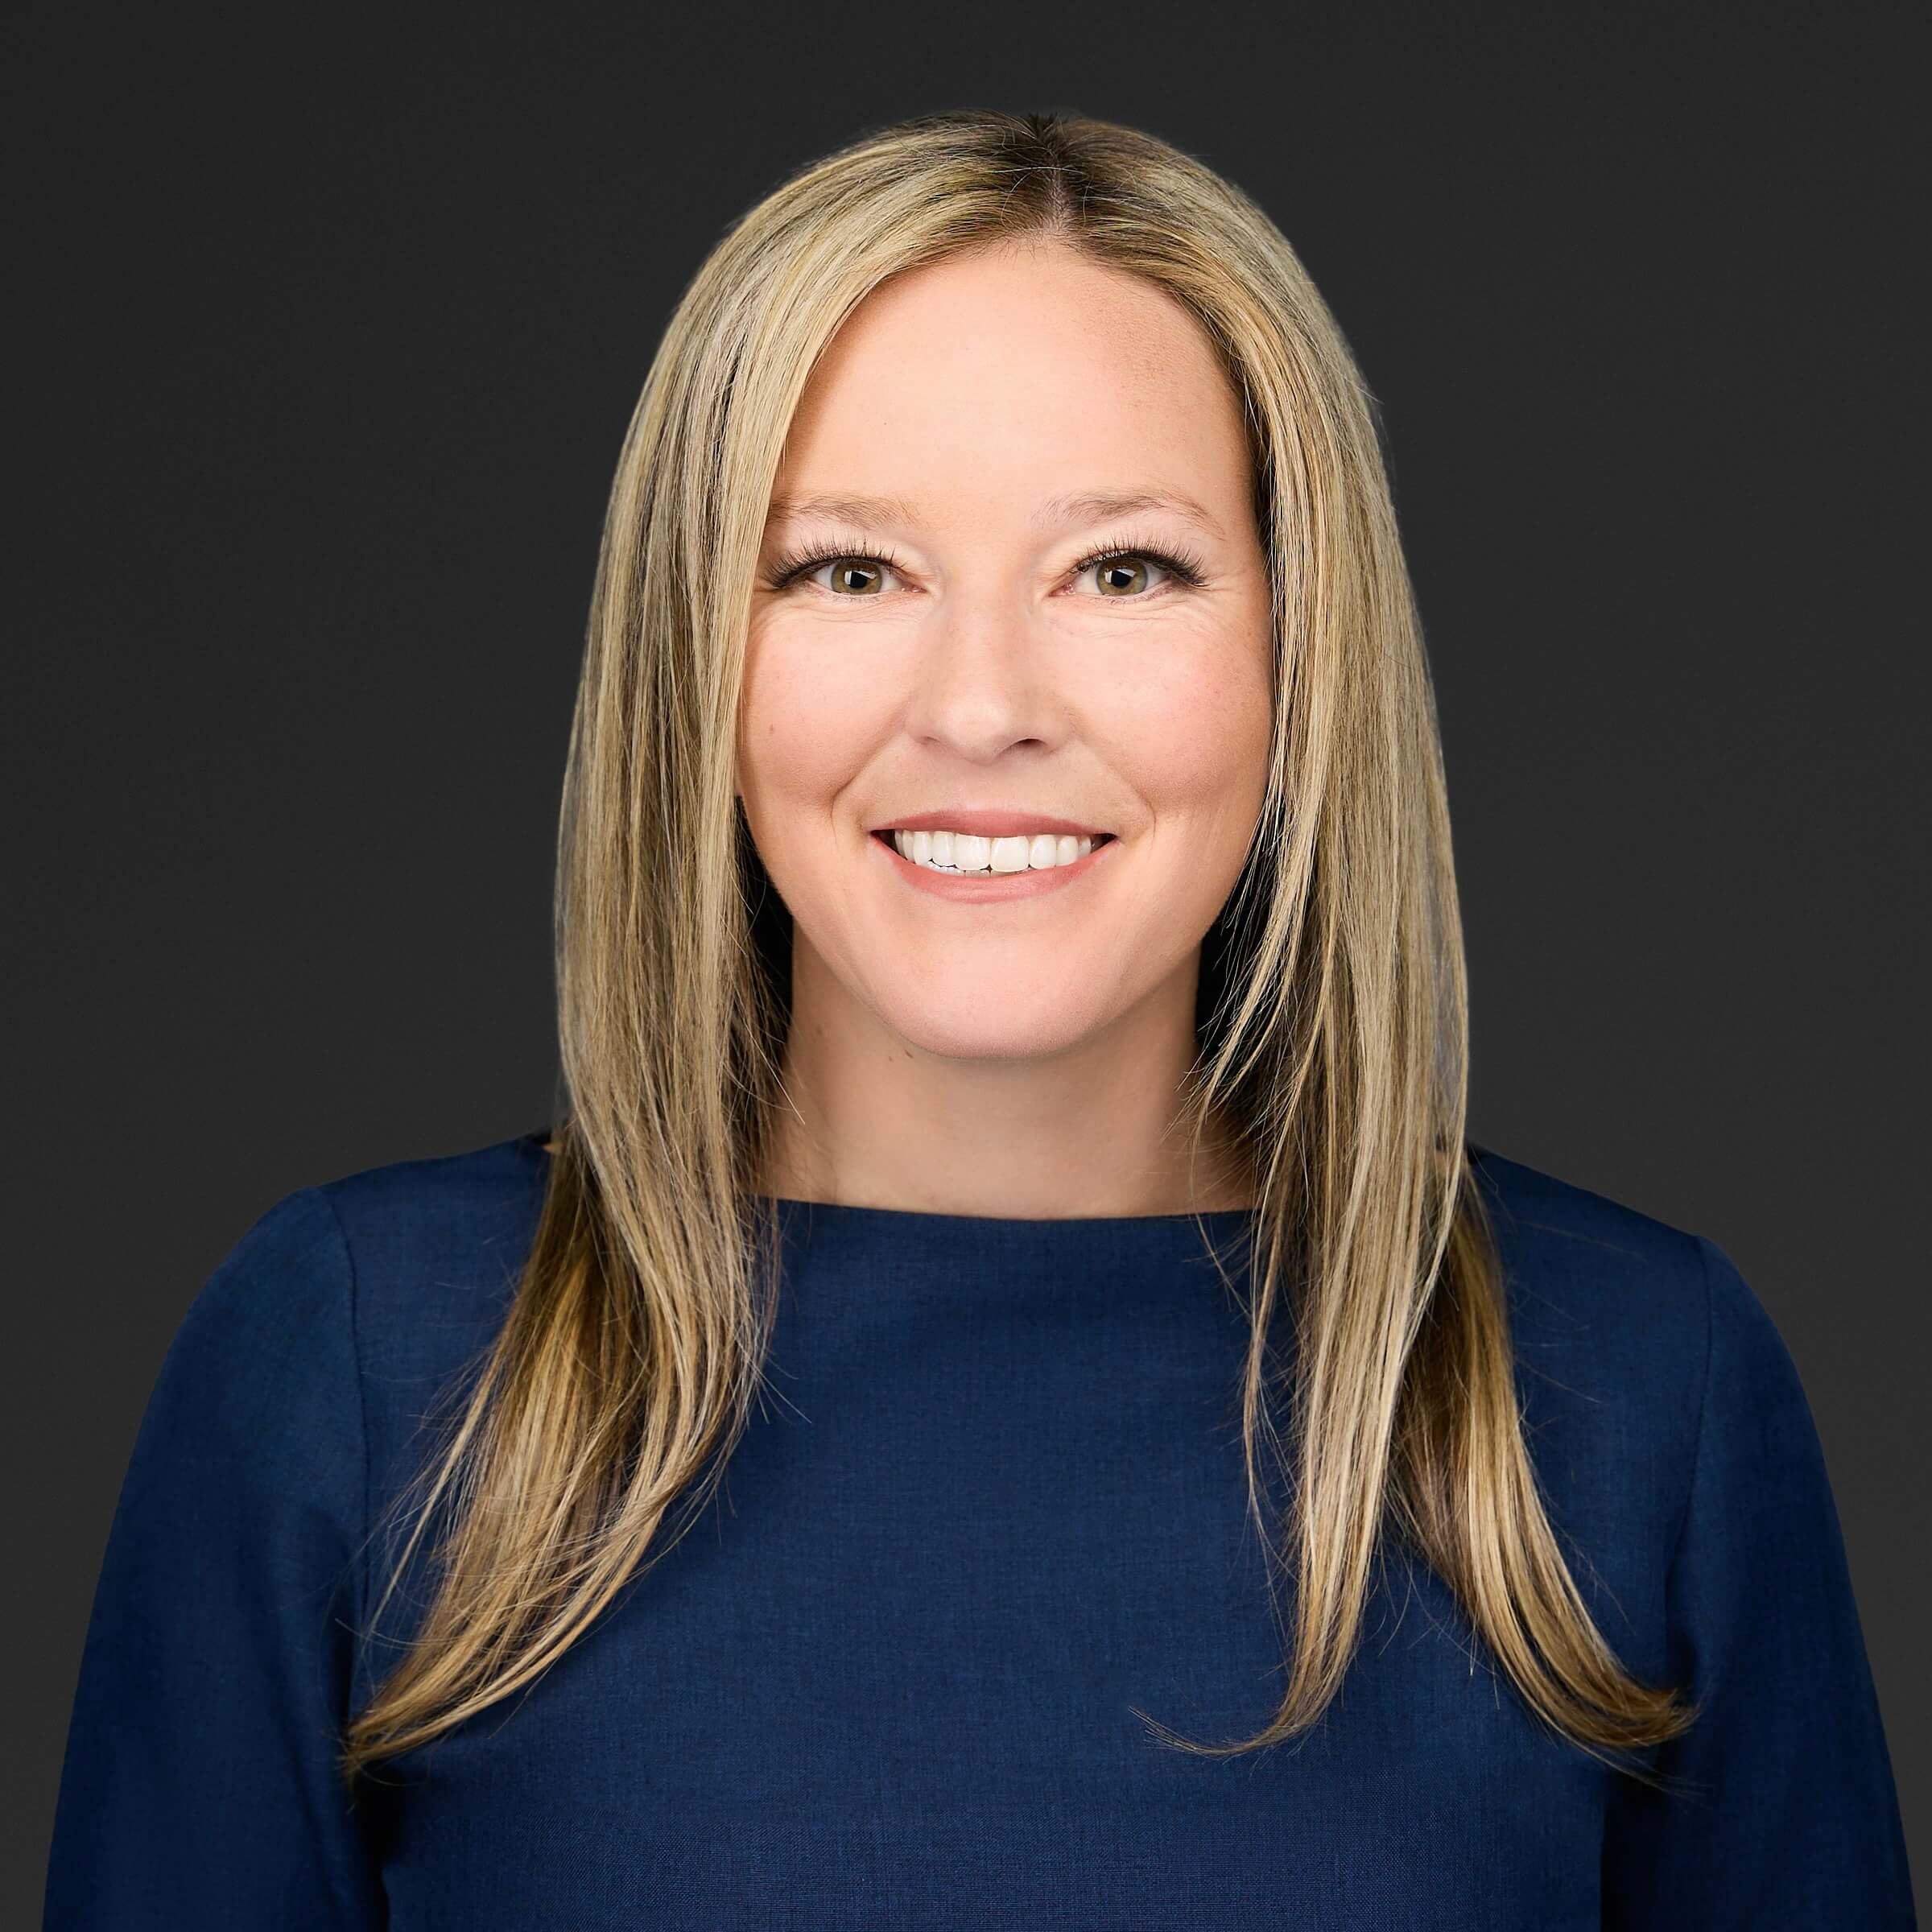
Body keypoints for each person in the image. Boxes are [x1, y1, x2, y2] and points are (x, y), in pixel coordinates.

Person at [43, 109, 1914, 1929]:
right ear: (697, 655)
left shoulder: (1632, 1388)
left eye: (1123, 570)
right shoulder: (360, 1364)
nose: (982, 705)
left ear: (1296, 650)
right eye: (849, 570)